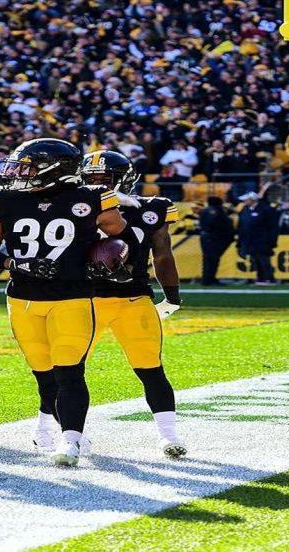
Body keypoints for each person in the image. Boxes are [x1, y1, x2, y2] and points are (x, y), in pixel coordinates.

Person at [0, 139, 128, 467]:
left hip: (71, 296)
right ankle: (64, 431)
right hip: (23, 298)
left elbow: (117, 231)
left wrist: (101, 250)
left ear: (56, 168)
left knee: (70, 371)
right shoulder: (3, 198)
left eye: (28, 167)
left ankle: (71, 439)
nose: (19, 173)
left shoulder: (92, 196)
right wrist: (16, 264)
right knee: (44, 375)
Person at [79, 150, 186, 458]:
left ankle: (169, 435)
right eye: (91, 179)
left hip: (134, 298)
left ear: (123, 179)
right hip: (86, 300)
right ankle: (60, 432)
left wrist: (173, 297)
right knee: (68, 369)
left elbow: (163, 255)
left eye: (104, 179)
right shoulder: (74, 205)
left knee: (151, 368)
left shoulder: (152, 208)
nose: (97, 184)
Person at [237, 190, 278, 285]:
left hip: (263, 240)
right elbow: (241, 226)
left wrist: (272, 240)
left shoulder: (266, 210)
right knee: (255, 260)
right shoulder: (245, 210)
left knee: (263, 260)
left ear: (252, 200)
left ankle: (268, 278)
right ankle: (261, 278)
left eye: (246, 199)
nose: (244, 201)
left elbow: (273, 227)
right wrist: (240, 241)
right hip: (250, 241)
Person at [198, 196, 234, 285]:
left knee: (207, 259)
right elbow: (222, 224)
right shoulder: (218, 211)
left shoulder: (204, 211)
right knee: (213, 259)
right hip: (215, 238)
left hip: (206, 237)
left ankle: (207, 278)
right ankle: (210, 278)